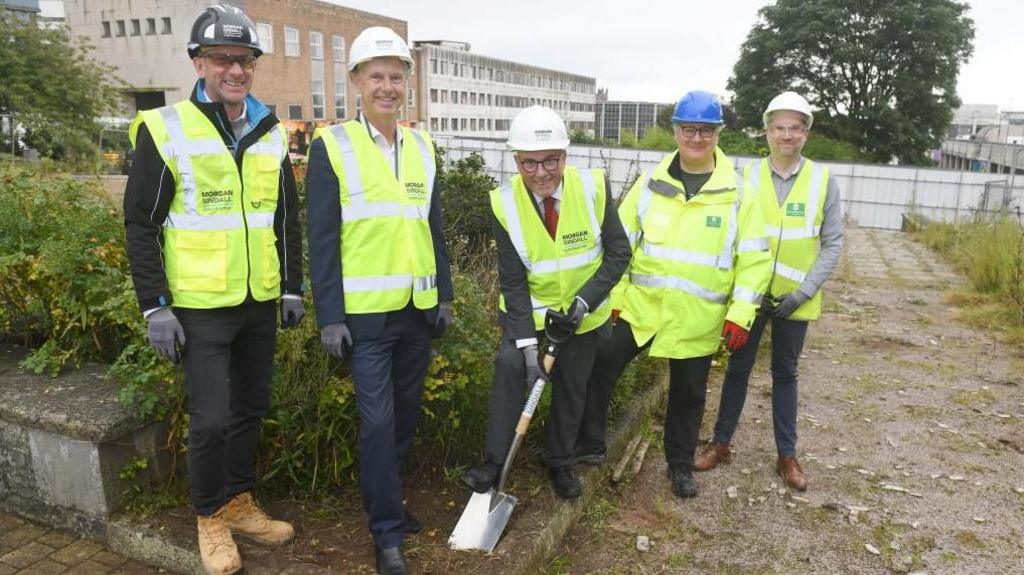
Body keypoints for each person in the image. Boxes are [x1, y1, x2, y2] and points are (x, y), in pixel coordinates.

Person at [123, 5, 302, 574]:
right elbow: (141, 223)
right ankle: (209, 518)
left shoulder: (269, 131)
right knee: (212, 419)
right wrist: (155, 305)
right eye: (222, 58)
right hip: (199, 308)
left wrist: (292, 289)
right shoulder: (166, 128)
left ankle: (239, 500)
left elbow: (284, 221)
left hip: (257, 301)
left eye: (244, 59)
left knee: (250, 409)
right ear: (199, 63)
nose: (235, 69)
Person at [304, 26, 453, 575]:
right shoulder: (332, 146)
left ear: (406, 85)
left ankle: (385, 501)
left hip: (417, 310)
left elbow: (431, 228)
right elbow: (322, 238)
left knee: (406, 417)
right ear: (356, 83)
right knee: (378, 423)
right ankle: (386, 533)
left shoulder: (422, 145)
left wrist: (447, 295)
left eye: (396, 77)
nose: (387, 87)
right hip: (365, 320)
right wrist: (330, 316)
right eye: (376, 77)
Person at [575, 90, 771, 499]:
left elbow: (754, 261)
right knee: (599, 366)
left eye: (705, 130)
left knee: (689, 394)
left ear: (718, 134)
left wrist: (742, 313)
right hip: (638, 310)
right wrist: (613, 299)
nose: (696, 138)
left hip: (696, 317)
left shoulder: (740, 193)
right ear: (676, 132)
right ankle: (588, 444)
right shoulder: (651, 184)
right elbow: (619, 245)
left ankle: (680, 466)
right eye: (688, 129)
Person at [460, 106, 631, 500]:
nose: (541, 172)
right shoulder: (502, 204)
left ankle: (558, 462)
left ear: (565, 157)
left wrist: (585, 303)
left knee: (572, 387)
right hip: (528, 317)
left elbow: (619, 255)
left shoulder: (594, 188)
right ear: (516, 161)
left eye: (550, 160)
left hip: (581, 317)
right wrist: (527, 346)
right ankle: (493, 463)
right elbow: (513, 281)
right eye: (529, 163)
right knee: (510, 370)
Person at [696, 91, 844, 492]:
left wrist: (804, 291)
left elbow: (832, 243)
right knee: (737, 370)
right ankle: (721, 443)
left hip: (796, 300)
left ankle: (787, 456)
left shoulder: (823, 181)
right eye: (779, 127)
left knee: (786, 374)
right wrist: (742, 291)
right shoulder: (746, 179)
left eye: (795, 128)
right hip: (752, 296)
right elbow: (733, 236)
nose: (786, 135)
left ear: (805, 134)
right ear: (766, 132)